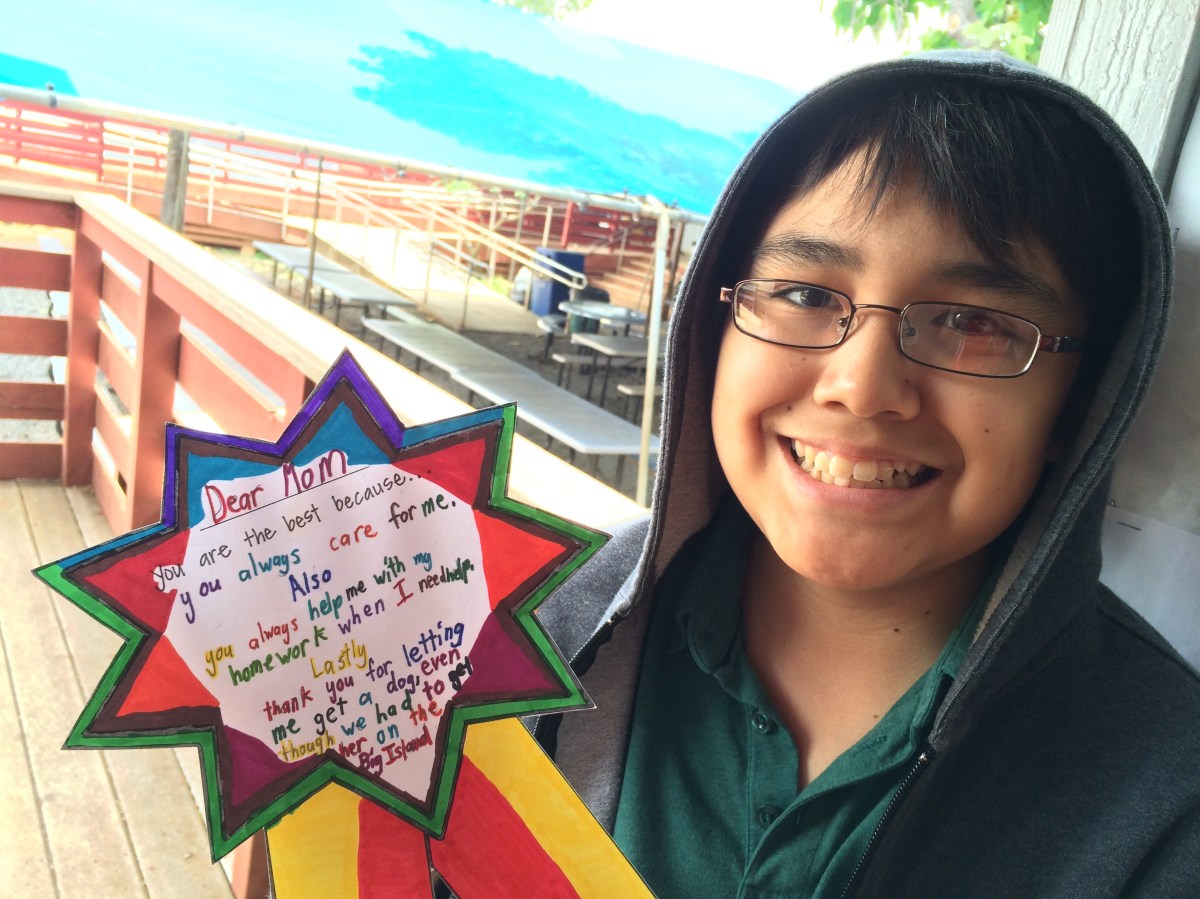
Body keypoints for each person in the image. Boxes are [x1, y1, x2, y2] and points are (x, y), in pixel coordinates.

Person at [535, 51, 1200, 896]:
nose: (862, 386)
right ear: (716, 324)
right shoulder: (532, 629)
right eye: (806, 295)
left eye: (973, 322)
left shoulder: (1167, 807)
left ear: (1079, 407)